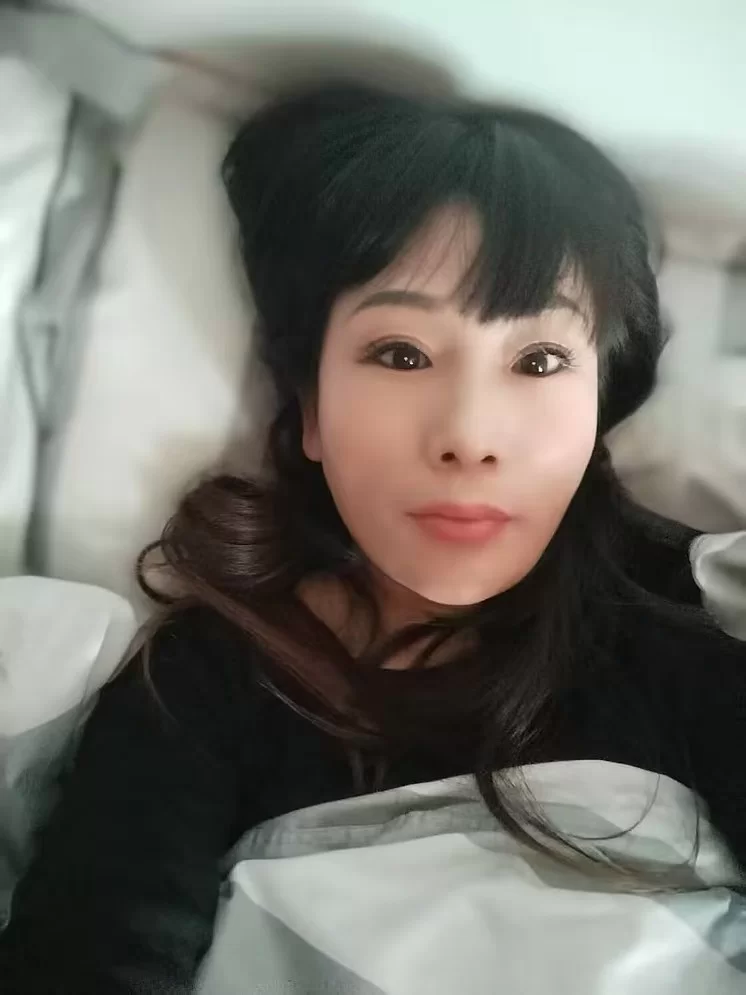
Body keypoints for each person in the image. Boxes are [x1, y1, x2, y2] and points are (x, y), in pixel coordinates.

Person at [1, 81, 744, 994]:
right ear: (310, 408)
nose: (469, 435)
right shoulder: (200, 691)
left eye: (539, 359)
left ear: (598, 408)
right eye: (402, 353)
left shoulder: (688, 638)